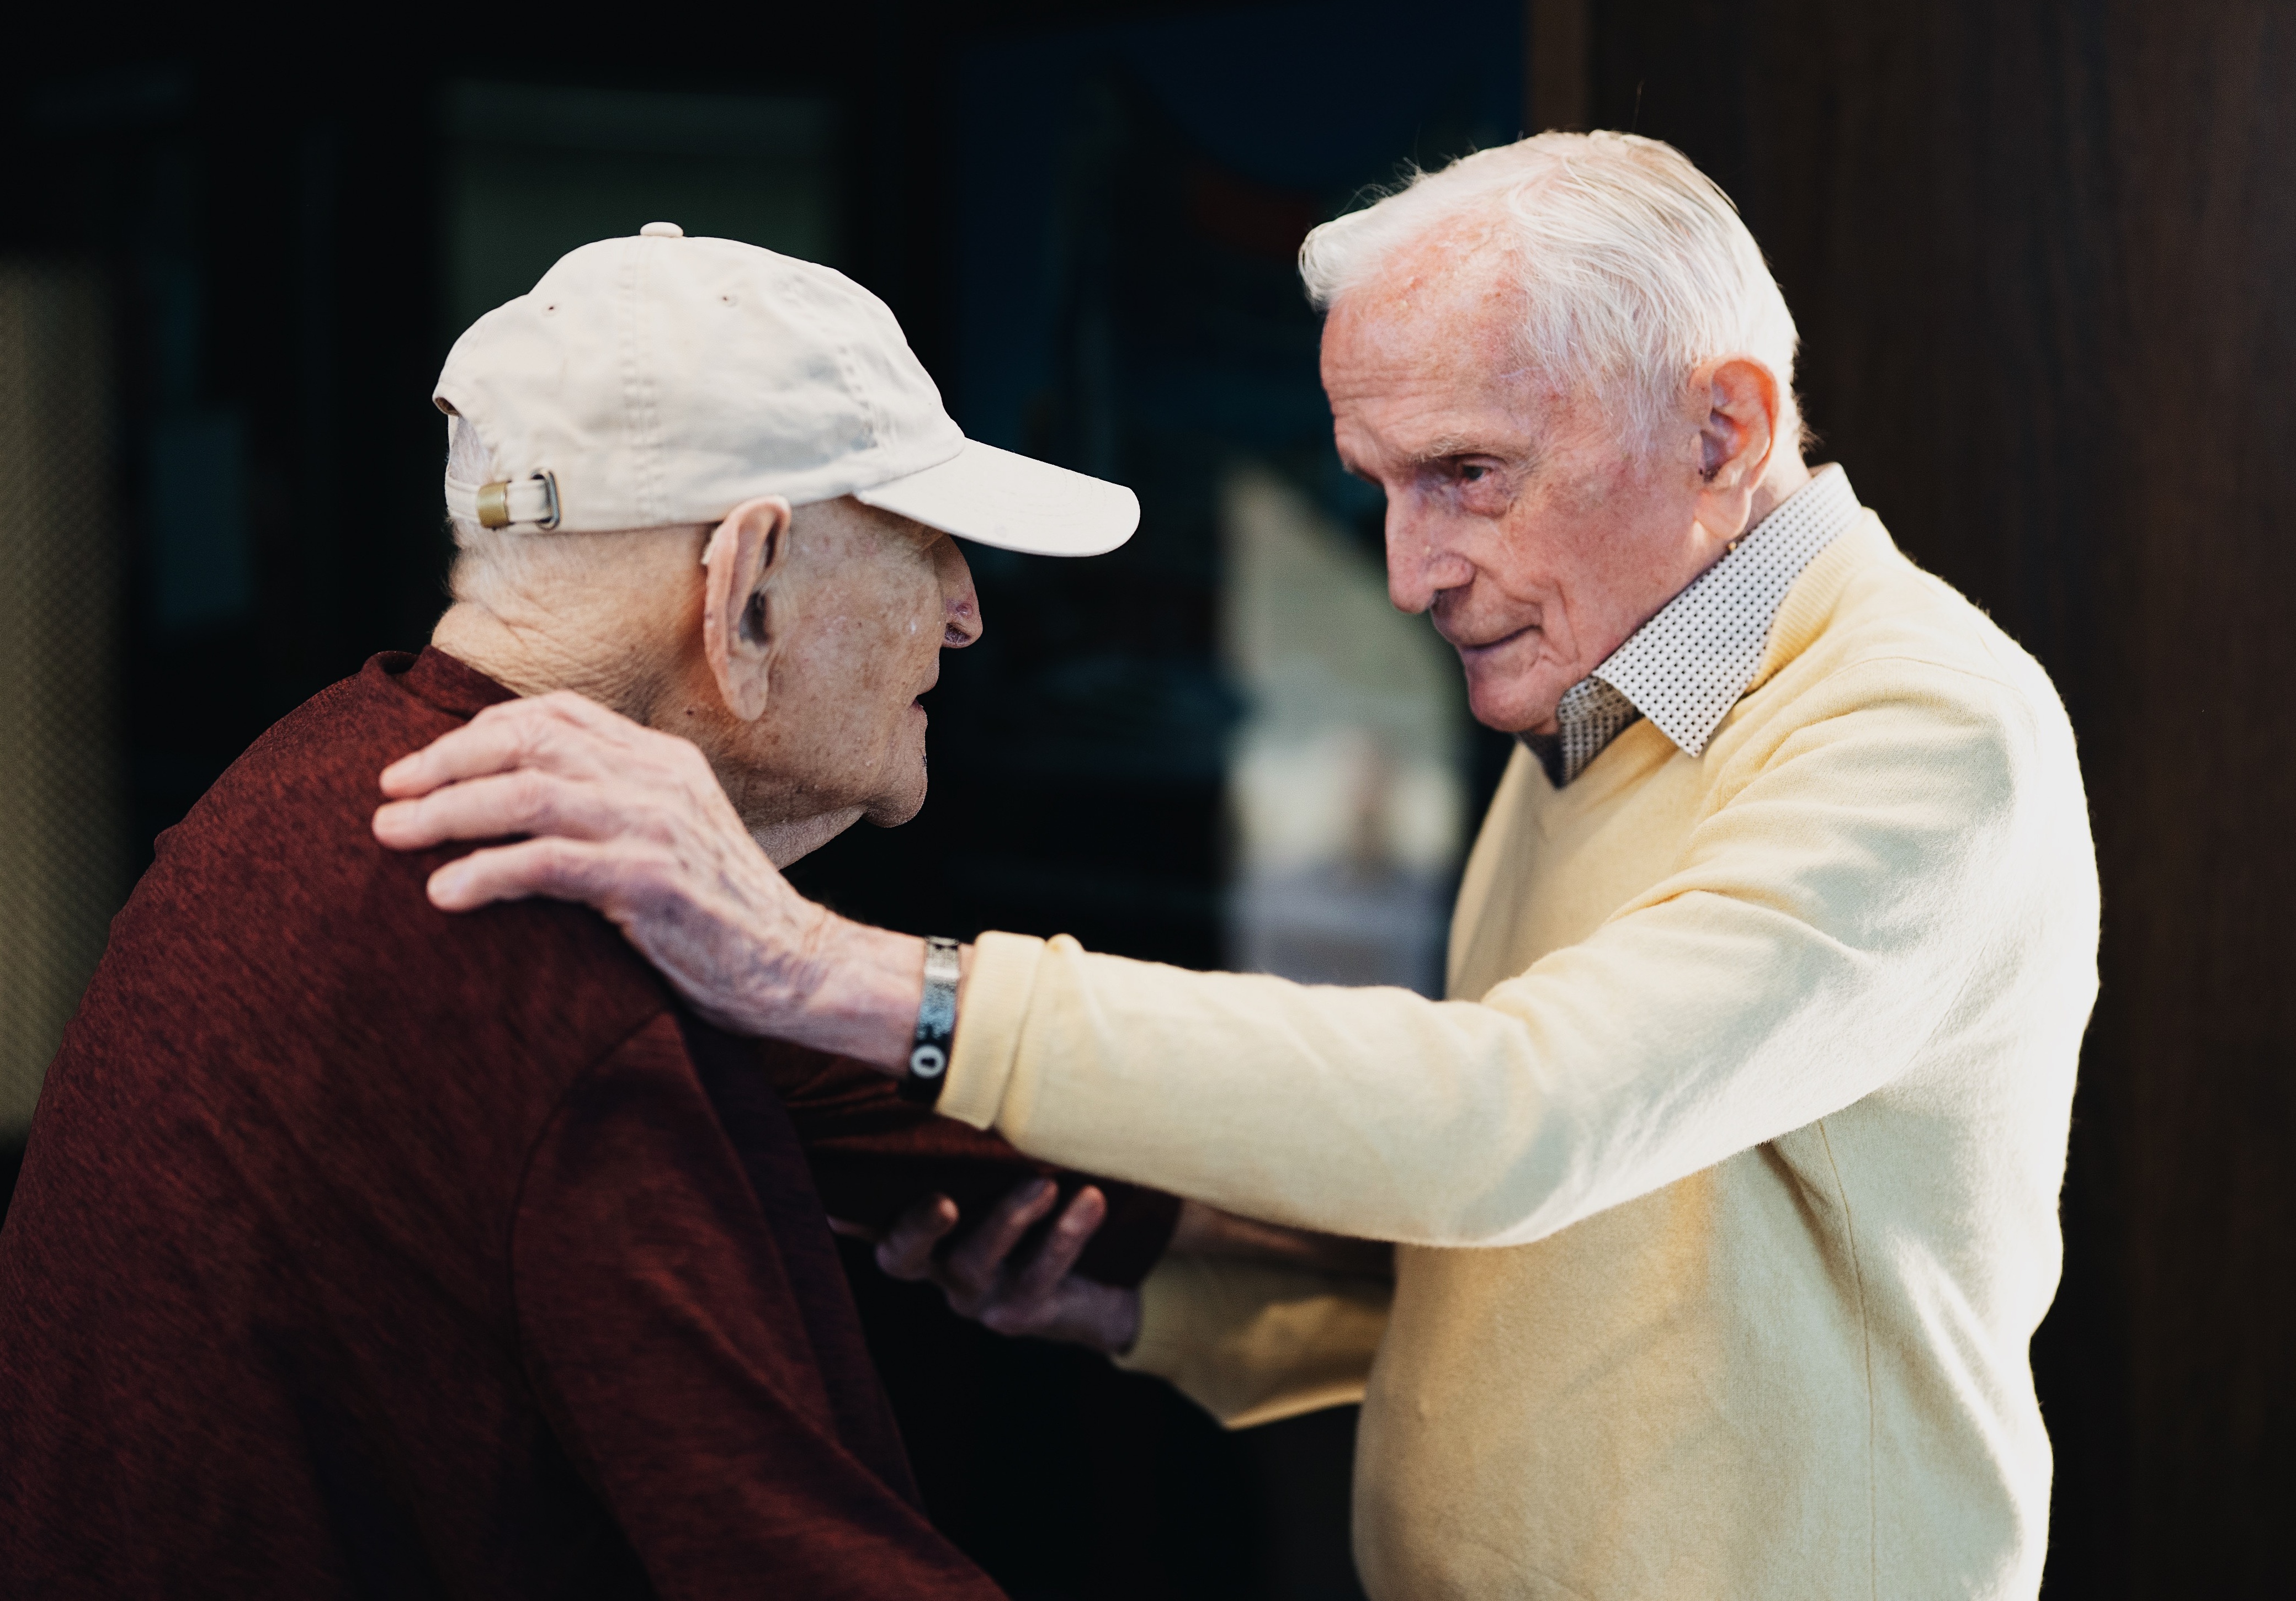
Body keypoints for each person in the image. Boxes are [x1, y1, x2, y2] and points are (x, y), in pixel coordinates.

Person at [376, 135, 2103, 1600]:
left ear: (1726, 428)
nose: (1411, 570)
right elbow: (1596, 1257)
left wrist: (825, 969)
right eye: (1378, 485)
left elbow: (1520, 1122)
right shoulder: (1613, 682)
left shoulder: (1927, 727)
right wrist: (1164, 1298)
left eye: (1467, 477)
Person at [0, 228, 1213, 1596]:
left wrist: (1241, 1266)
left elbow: (1033, 1137)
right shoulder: (545, 965)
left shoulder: (327, 779)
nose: (966, 611)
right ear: (745, 586)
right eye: (926, 542)